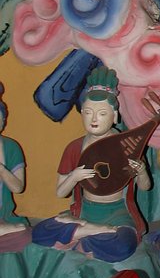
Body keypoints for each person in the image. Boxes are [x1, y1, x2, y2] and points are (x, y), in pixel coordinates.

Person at [31, 68, 150, 263]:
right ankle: (92, 231)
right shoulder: (75, 148)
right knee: (39, 232)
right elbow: (61, 192)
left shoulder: (127, 146)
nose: (93, 119)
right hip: (84, 211)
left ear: (115, 116)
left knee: (123, 244)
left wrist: (142, 171)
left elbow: (145, 187)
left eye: (102, 113)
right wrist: (74, 177)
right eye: (87, 112)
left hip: (117, 212)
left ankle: (80, 234)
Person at [0, 85, 28, 254]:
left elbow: (18, 188)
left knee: (25, 236)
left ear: (3, 121)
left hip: (4, 216)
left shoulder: (11, 147)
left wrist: (2, 170)